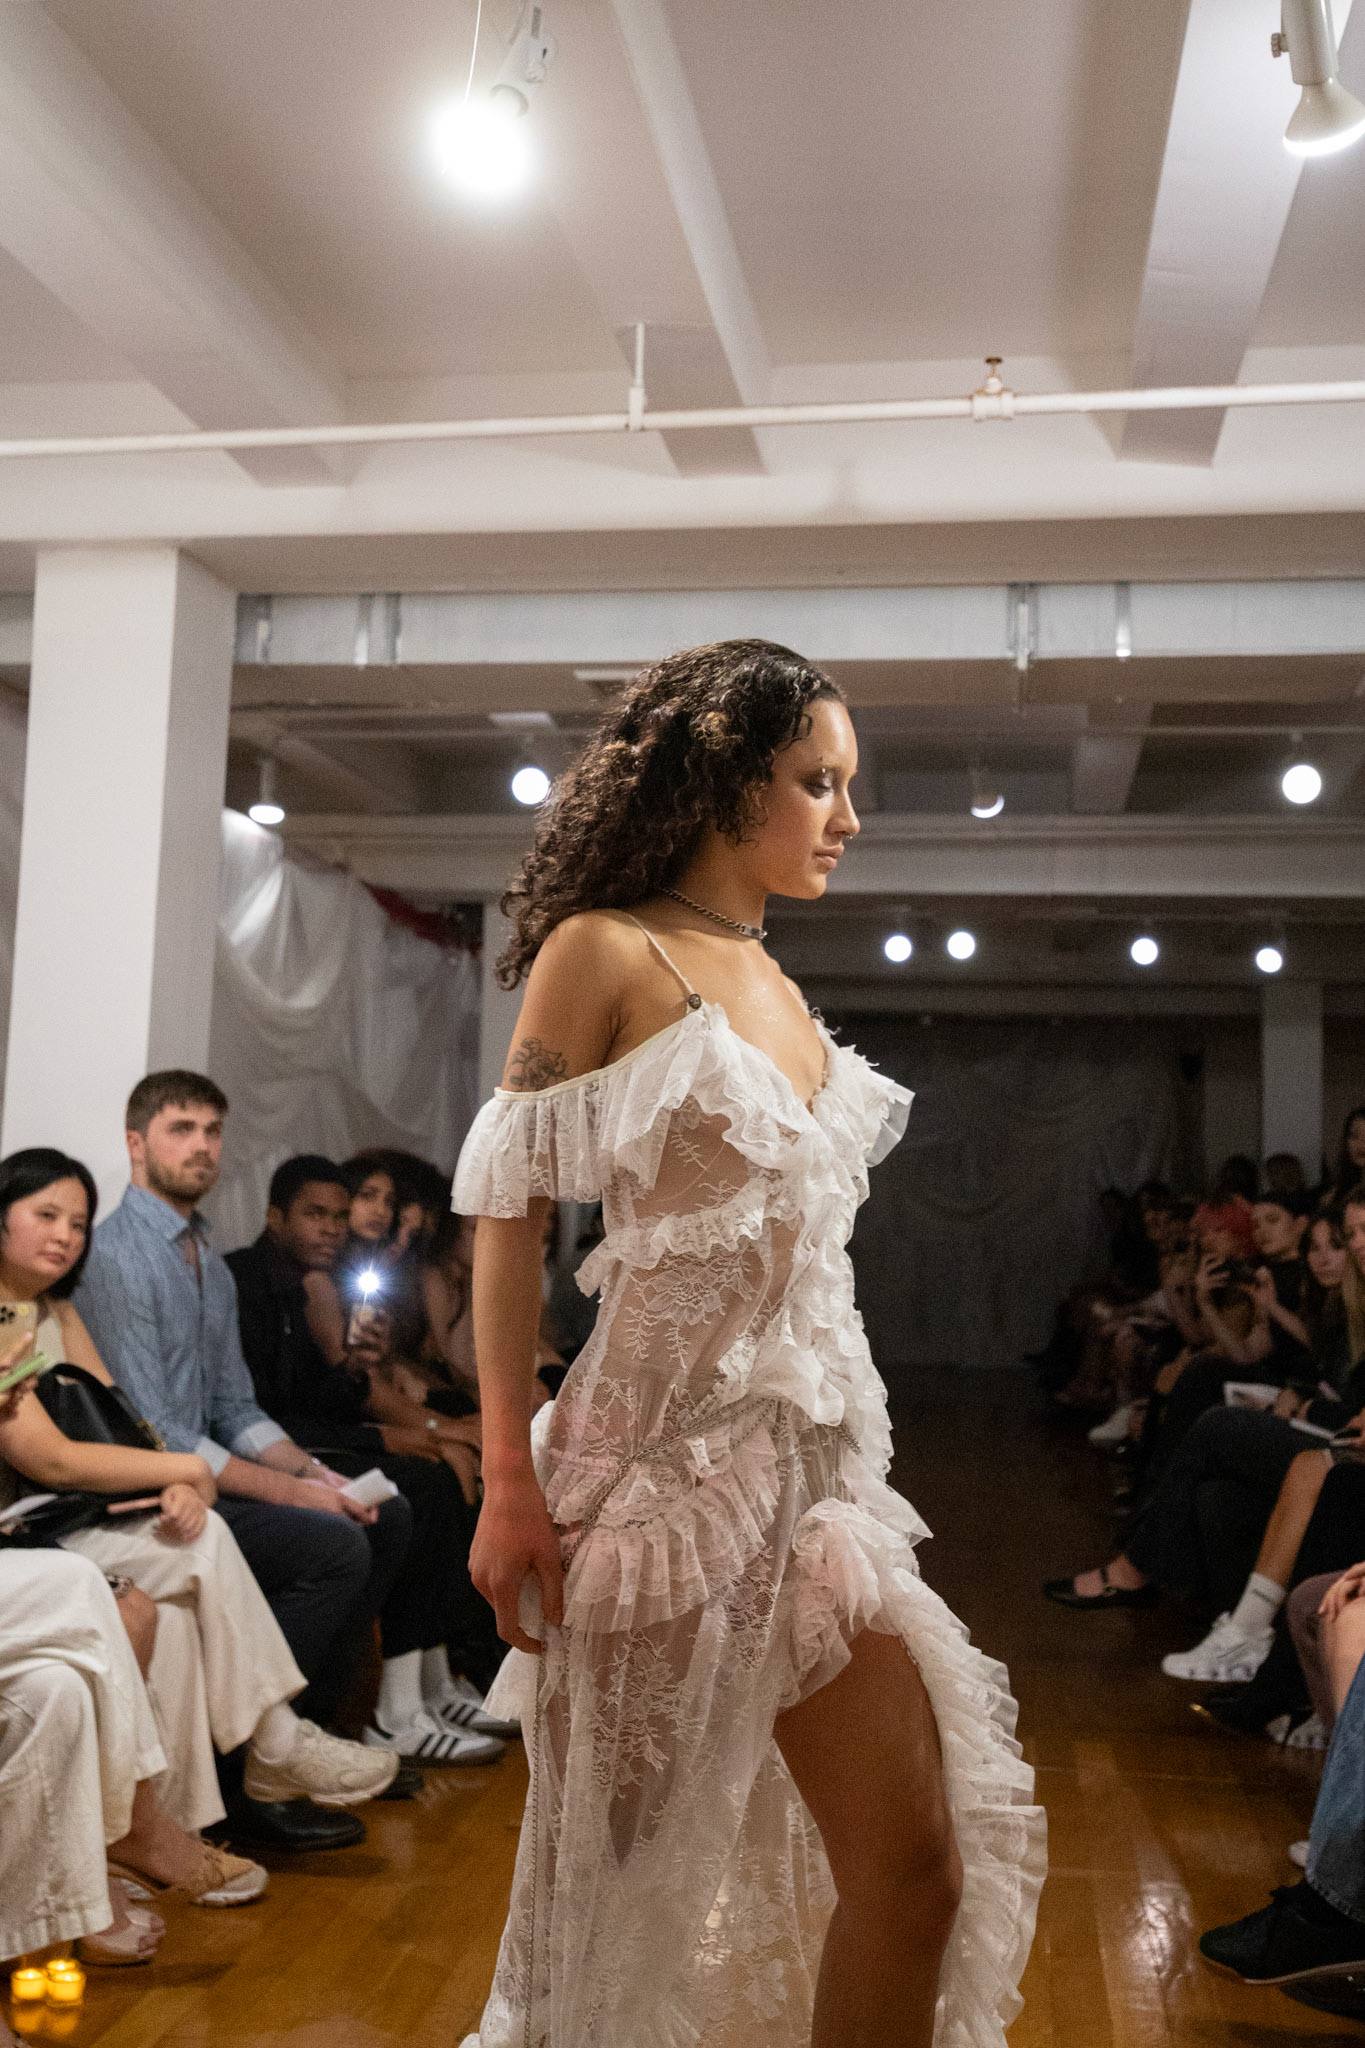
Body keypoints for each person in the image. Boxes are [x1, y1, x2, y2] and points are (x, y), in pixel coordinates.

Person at [454, 641, 1044, 2048]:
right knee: (607, 1919)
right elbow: (507, 1216)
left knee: (918, 1870)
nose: (848, 816)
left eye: (847, 785)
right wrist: (506, 1478)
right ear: (727, 781)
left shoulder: (771, 974)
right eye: (817, 781)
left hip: (810, 1489)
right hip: (647, 1489)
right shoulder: (607, 949)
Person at [0, 1147, 397, 1832]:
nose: (65, 1235)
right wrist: (183, 1471)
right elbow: (53, 1460)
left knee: (188, 1587)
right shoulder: (6, 1319)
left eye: (79, 1223)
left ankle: (192, 1826)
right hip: (37, 1531)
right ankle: (273, 1744)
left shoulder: (56, 1311)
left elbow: (127, 1424)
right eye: (47, 1216)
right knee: (223, 1548)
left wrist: (177, 1486)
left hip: (86, 1513)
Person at [227, 1154, 511, 1761]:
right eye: (315, 1214)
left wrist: (357, 1364)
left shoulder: (316, 1281)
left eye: (337, 1215)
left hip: (304, 1439)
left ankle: (430, 1684)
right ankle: (391, 1709)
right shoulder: (247, 1281)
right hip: (268, 1451)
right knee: (416, 1489)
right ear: (275, 1217)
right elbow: (264, 1411)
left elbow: (329, 1394)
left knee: (434, 1477)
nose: (331, 1228)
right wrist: (388, 1435)